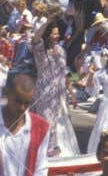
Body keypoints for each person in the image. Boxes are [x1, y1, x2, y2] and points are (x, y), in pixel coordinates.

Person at [28, 21, 79, 157]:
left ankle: (50, 149)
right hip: (44, 90)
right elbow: (34, 39)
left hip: (59, 92)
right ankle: (42, 151)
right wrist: (48, 22)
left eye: (57, 34)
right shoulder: (40, 49)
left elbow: (64, 73)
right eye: (53, 34)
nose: (56, 36)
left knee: (55, 121)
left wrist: (72, 92)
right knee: (44, 120)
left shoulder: (61, 50)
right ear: (47, 34)